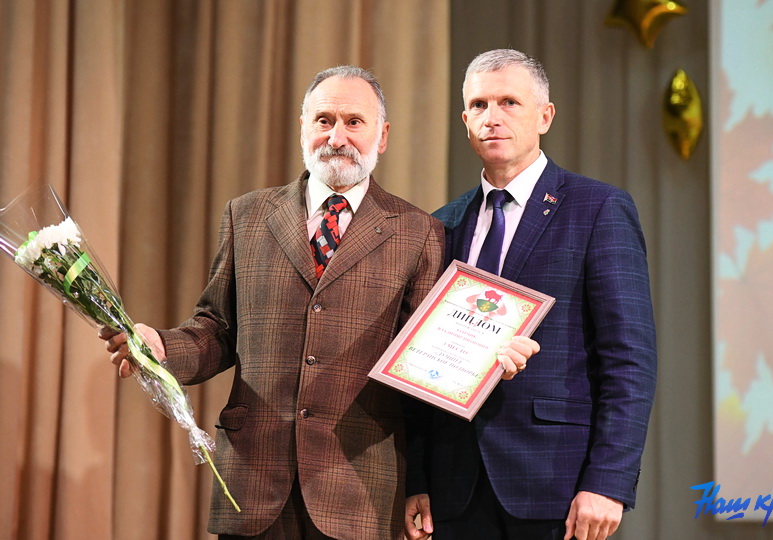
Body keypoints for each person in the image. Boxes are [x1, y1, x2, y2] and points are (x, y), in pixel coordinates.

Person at [102, 65, 535, 540]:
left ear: (382, 136)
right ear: (302, 128)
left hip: (360, 488)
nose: (337, 136)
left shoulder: (419, 232)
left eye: (354, 122)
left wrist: (483, 363)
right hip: (253, 481)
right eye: (324, 120)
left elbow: (423, 359)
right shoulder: (247, 214)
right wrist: (161, 348)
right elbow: (217, 329)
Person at [404, 49, 657, 540]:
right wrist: (418, 478)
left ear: (545, 116)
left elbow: (629, 358)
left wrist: (608, 481)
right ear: (464, 120)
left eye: (509, 103)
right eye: (478, 105)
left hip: (558, 487)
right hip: (453, 489)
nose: (492, 117)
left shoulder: (598, 208)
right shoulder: (441, 224)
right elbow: (419, 360)